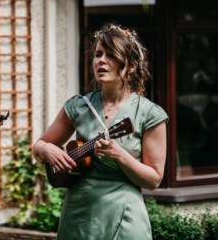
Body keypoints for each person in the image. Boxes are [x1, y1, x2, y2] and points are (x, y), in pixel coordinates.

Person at [32, 22, 168, 240]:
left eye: (111, 55)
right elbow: (38, 146)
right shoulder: (78, 105)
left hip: (125, 213)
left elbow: (153, 180)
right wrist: (48, 149)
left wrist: (119, 155)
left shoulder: (149, 113)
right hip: (79, 213)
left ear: (131, 66)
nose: (101, 61)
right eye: (98, 54)